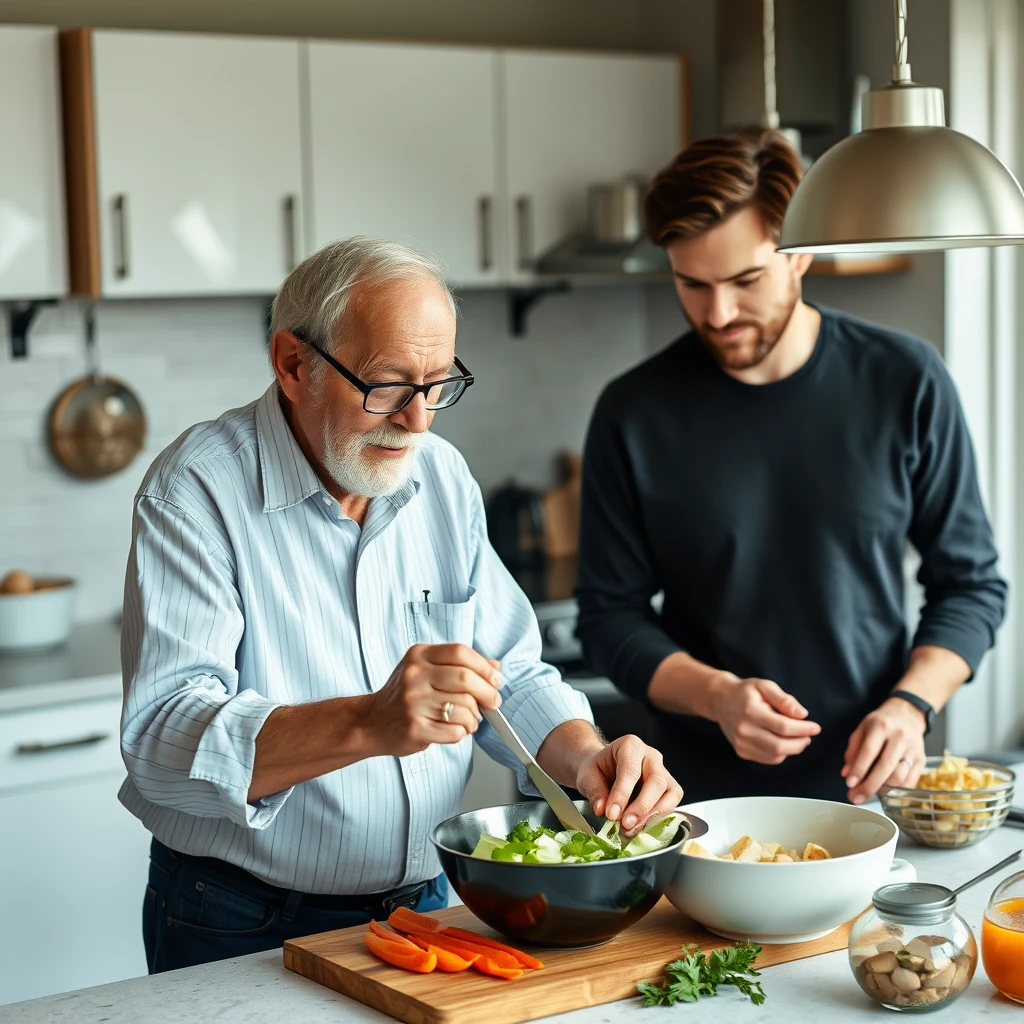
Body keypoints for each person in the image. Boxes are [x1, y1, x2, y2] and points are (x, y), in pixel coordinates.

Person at [120, 236, 682, 973]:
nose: (418, 422)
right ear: (294, 364)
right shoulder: (196, 491)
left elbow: (507, 673)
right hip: (241, 920)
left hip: (428, 908)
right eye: (387, 386)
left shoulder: (441, 476)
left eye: (439, 383)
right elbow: (163, 742)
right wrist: (368, 720)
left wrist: (588, 760)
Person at [576, 129, 1007, 806]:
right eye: (691, 284)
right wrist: (717, 696)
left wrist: (911, 705)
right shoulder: (633, 412)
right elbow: (608, 618)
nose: (718, 314)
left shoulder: (905, 379)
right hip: (698, 803)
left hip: (874, 792)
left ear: (799, 251)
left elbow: (972, 586)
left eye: (745, 280)